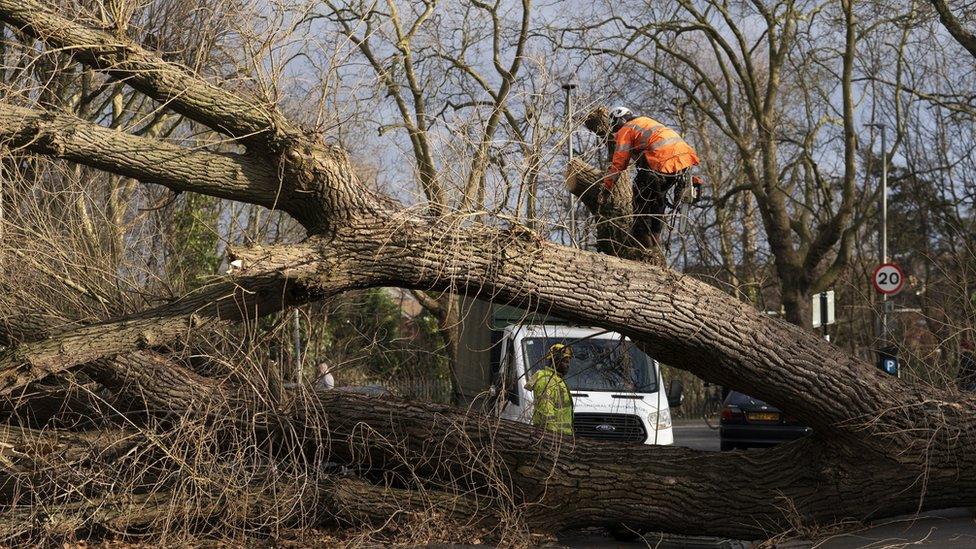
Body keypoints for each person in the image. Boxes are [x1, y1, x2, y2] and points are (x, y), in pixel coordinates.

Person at [599, 106, 700, 249]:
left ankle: (643, 244)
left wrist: (606, 187)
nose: (617, 134)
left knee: (640, 204)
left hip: (660, 161)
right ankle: (655, 240)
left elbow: (619, 163)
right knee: (657, 200)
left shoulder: (626, 129)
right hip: (681, 161)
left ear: (619, 120)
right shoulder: (645, 121)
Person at [524, 343, 574, 436]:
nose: (568, 365)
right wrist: (552, 439)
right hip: (553, 439)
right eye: (565, 362)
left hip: (563, 437)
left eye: (568, 362)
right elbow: (546, 413)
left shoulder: (558, 380)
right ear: (555, 361)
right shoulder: (546, 380)